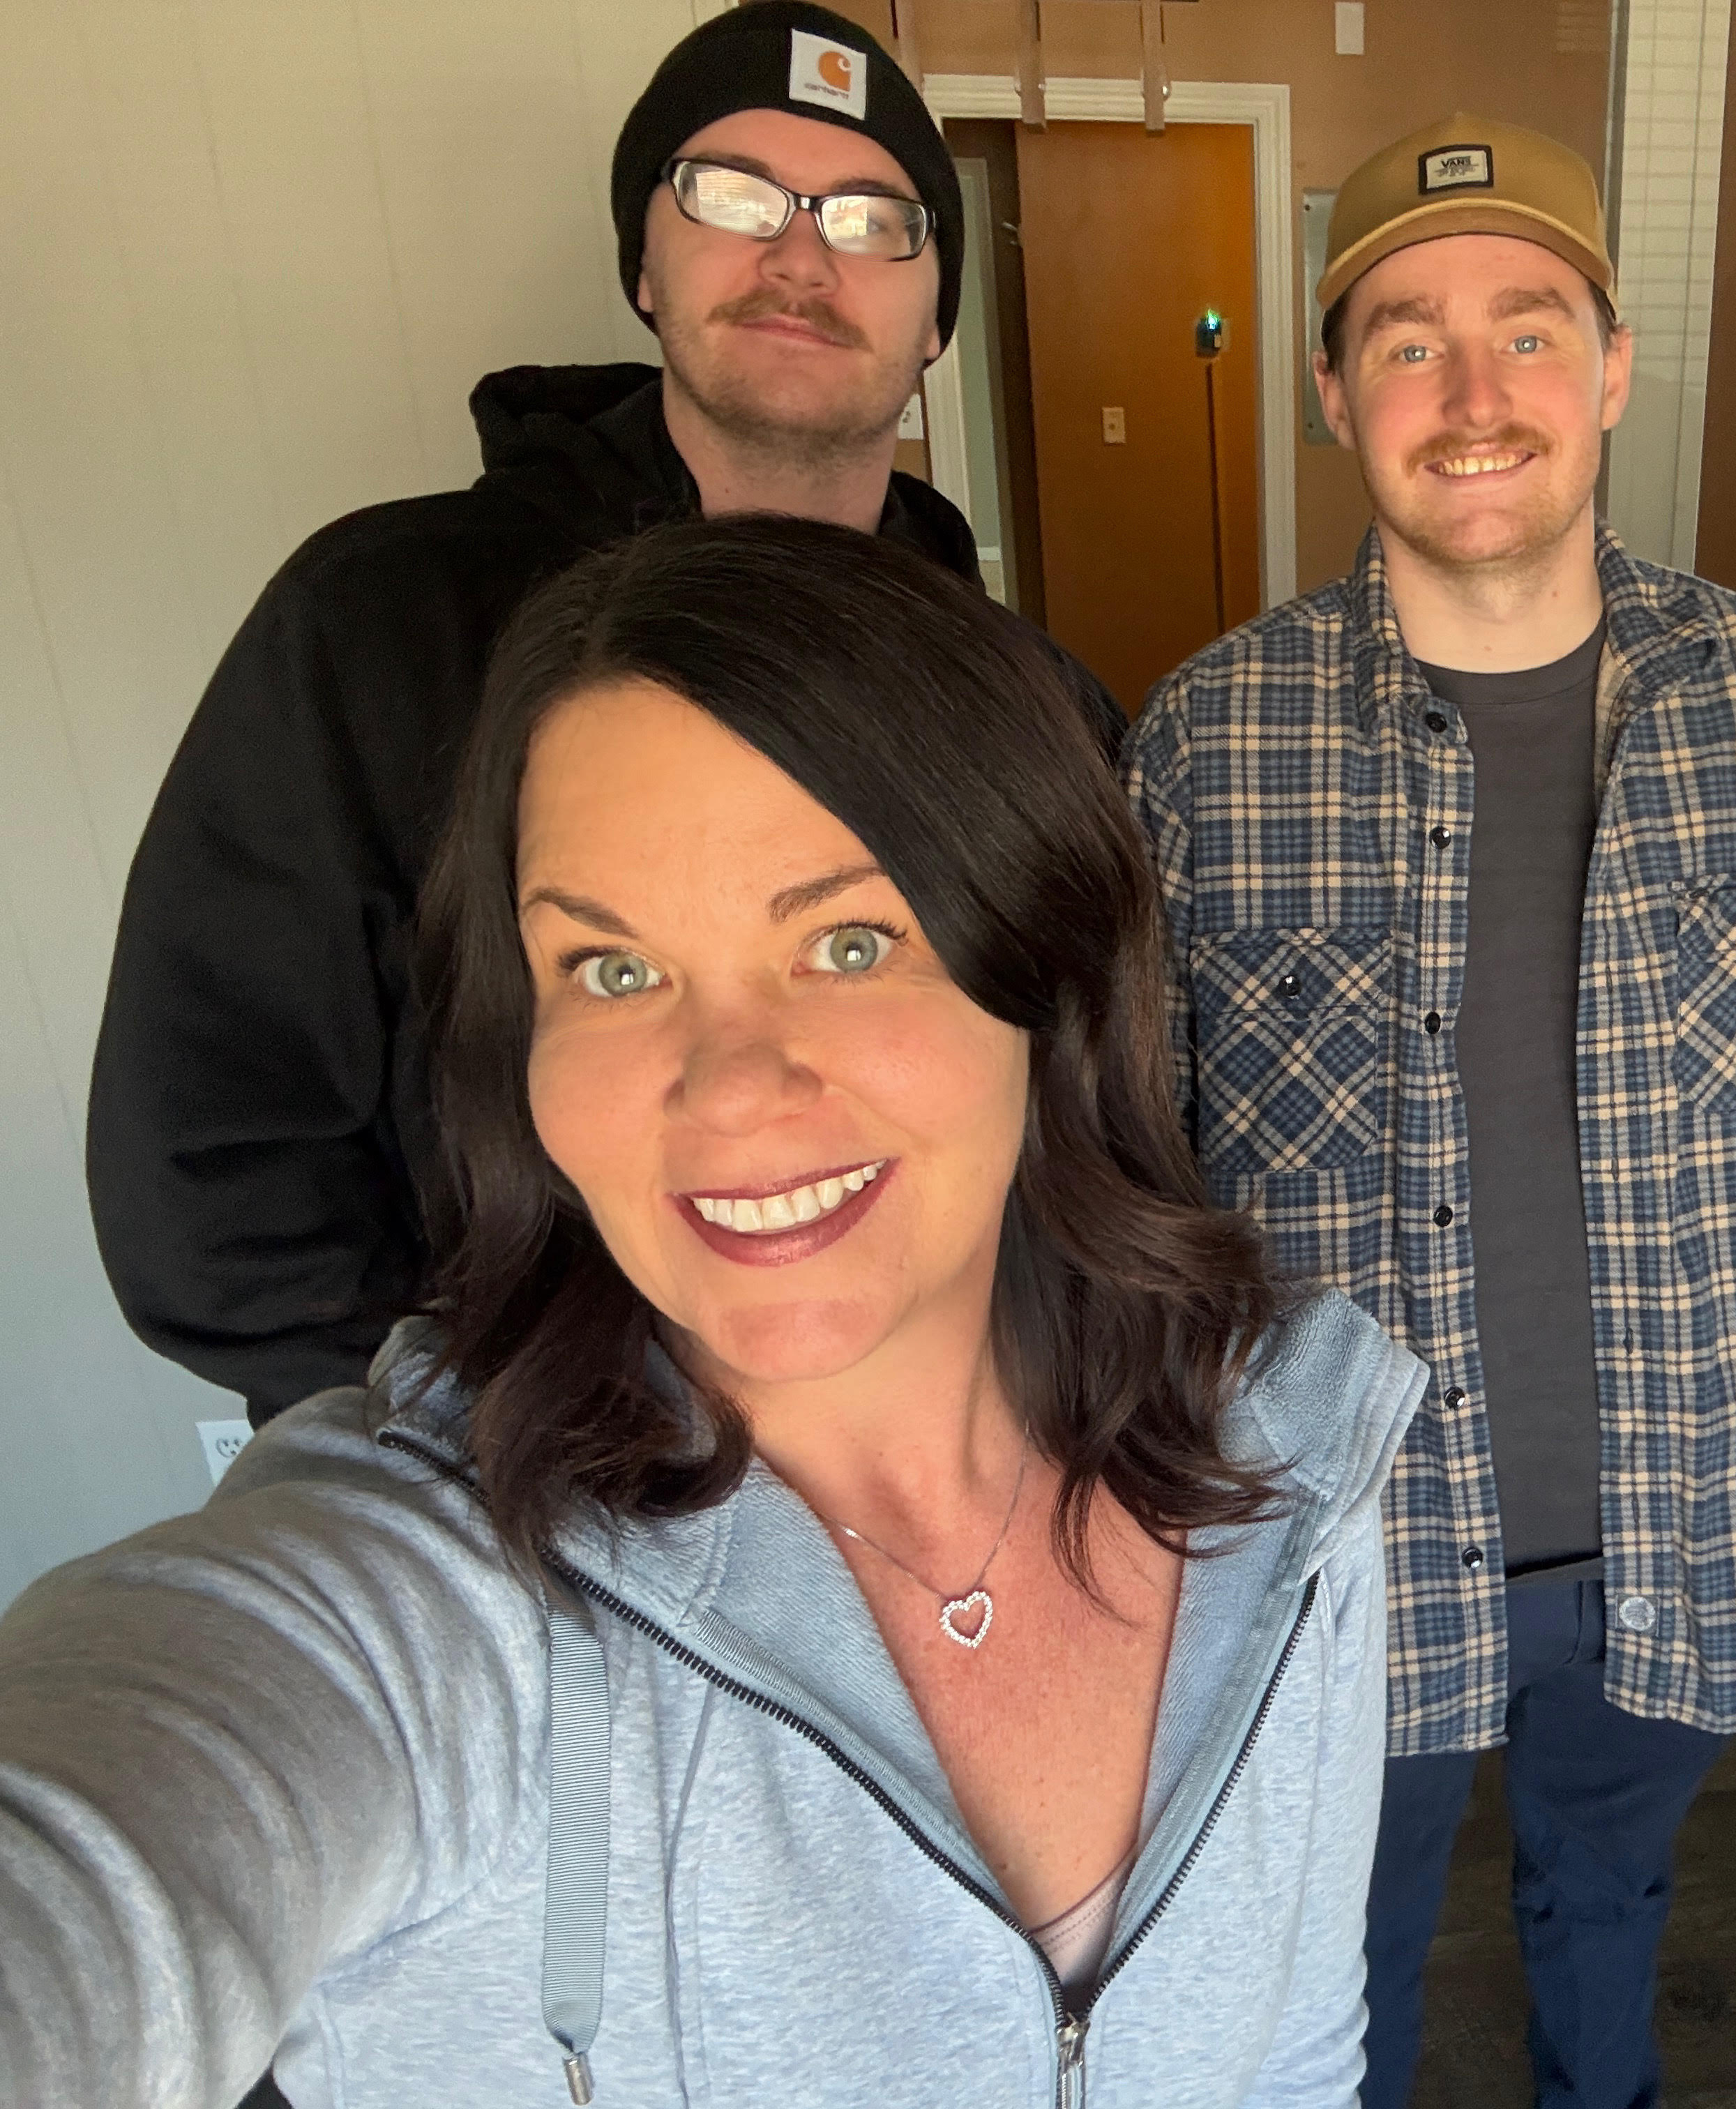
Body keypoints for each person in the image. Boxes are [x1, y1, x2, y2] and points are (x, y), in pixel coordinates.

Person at [0, 516, 1423, 2109]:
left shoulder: (1286, 1453)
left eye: (847, 942)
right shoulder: (431, 1587)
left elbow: (1298, 2058)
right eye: (611, 971)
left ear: (1047, 970)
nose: (732, 1088)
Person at [1124, 114, 1736, 2109]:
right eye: (1408, 341)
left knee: (1610, 1900)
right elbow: (1135, 1171)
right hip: (1339, 1549)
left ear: (1613, 366)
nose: (1474, 395)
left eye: (1529, 330)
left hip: (1692, 1511)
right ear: (1335, 395)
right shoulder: (1209, 738)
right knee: (1336, 1962)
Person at [87, 1, 1117, 1429]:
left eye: (874, 220)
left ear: (937, 313)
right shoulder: (380, 620)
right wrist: (488, 1454)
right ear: (644, 261)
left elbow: (1086, 1114)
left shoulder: (1028, 694)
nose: (801, 255)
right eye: (735, 196)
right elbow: (214, 1160)